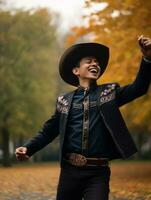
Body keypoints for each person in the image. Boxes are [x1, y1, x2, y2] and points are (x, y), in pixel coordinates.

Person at [15, 35, 151, 200]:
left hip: (98, 173)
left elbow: (139, 88)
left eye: (97, 62)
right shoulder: (64, 101)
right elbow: (48, 132)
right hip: (69, 172)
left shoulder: (109, 93)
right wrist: (28, 148)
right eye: (89, 61)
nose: (95, 64)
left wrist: (147, 58)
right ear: (76, 71)